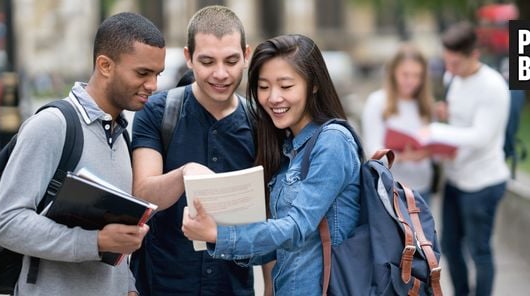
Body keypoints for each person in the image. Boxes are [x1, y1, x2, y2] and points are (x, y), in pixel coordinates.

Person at [0, 12, 165, 296]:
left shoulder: (121, 135)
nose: (153, 85)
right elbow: (5, 222)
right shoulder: (52, 126)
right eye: (142, 73)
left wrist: (127, 286)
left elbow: (113, 240)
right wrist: (95, 241)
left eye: (158, 75)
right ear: (105, 65)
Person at [181, 34, 361, 295]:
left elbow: (296, 228)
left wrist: (221, 234)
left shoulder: (332, 142)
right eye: (263, 87)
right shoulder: (289, 146)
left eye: (286, 86)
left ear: (313, 85)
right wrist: (215, 233)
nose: (273, 98)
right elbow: (282, 246)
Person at [129, 5, 261, 295]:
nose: (221, 73)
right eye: (207, 61)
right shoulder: (156, 113)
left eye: (231, 60)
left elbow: (271, 218)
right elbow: (143, 195)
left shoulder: (261, 125)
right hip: (163, 284)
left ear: (246, 55)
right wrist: (184, 174)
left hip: (233, 286)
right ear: (188, 57)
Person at [426, 22, 510, 296]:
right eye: (445, 61)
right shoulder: (453, 78)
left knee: (479, 251)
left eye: (455, 62)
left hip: (483, 183)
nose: (449, 69)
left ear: (474, 54)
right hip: (455, 178)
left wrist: (434, 131)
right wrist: (443, 115)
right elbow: (458, 123)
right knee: (449, 246)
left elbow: (481, 136)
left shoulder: (493, 86)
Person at [362, 43, 435, 203]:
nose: (411, 81)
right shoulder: (377, 102)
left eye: (417, 76)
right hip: (390, 190)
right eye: (405, 75)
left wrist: (430, 152)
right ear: (393, 73)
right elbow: (372, 152)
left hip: (422, 189)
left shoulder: (426, 105)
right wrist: (402, 157)